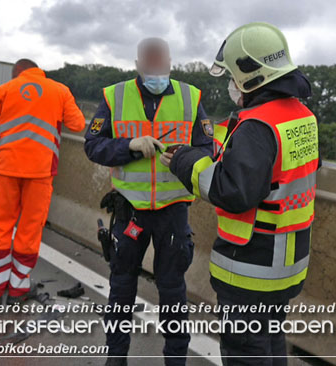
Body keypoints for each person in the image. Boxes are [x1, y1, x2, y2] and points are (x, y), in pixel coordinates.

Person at [165, 22, 317, 365]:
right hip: (288, 264)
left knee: (246, 352)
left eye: (233, 76)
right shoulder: (301, 115)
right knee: (272, 341)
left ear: (251, 74)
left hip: (251, 267)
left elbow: (233, 191)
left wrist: (186, 162)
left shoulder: (257, 126)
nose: (232, 85)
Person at [84, 37, 213, 366]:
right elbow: (93, 145)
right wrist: (128, 145)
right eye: (149, 62)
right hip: (130, 211)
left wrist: (184, 157)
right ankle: (116, 359)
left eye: (161, 61)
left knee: (172, 291)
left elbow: (209, 148)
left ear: (170, 62)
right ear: (139, 64)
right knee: (122, 287)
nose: (156, 67)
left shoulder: (191, 96)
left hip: (172, 212)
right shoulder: (114, 96)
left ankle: (175, 361)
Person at [0, 59, 86, 305]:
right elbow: (78, 124)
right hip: (41, 173)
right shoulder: (59, 91)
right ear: (39, 72)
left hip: (5, 170)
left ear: (17, 73)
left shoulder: (4, 90)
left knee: (0, 226)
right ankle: (18, 289)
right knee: (29, 230)